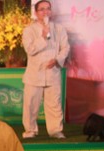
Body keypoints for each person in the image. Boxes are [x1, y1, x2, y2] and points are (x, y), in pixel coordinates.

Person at [21, 0, 70, 139]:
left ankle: (55, 130)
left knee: (54, 103)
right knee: (31, 104)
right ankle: (30, 130)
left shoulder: (59, 29)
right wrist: (43, 37)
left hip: (52, 72)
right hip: (34, 74)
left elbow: (65, 47)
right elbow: (30, 49)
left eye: (48, 8)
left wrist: (57, 59)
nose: (45, 12)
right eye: (42, 9)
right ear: (36, 13)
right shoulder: (29, 30)